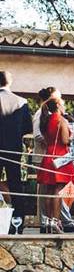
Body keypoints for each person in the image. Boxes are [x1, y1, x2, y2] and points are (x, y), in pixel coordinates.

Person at [0, 71, 32, 234]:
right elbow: (28, 128)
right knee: (15, 184)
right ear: (9, 82)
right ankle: (18, 221)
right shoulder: (21, 102)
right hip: (13, 148)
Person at [37, 98, 74, 234]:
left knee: (49, 191)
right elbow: (65, 140)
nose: (65, 107)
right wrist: (72, 136)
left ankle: (47, 221)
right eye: (63, 104)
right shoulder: (61, 120)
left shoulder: (45, 120)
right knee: (58, 190)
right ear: (58, 105)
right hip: (60, 157)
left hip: (48, 155)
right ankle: (56, 221)